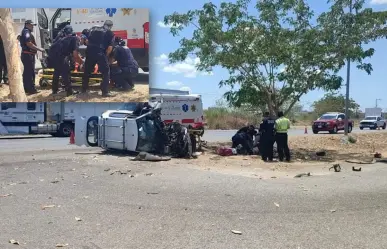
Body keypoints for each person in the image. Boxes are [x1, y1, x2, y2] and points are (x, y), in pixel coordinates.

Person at [81, 20, 115, 97]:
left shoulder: (93, 29)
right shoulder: (110, 33)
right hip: (100, 52)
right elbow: (110, 48)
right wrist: (105, 56)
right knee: (106, 71)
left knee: (87, 71)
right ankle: (105, 92)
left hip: (89, 51)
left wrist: (86, 43)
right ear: (110, 26)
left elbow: (84, 35)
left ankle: (84, 89)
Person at [47, 25, 83, 95]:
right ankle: (69, 91)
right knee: (66, 73)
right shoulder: (74, 39)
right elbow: (75, 55)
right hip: (61, 56)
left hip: (53, 56)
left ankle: (54, 90)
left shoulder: (60, 38)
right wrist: (82, 62)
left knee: (56, 72)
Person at [19, 20, 45, 94]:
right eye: (31, 25)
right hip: (28, 55)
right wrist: (39, 49)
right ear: (27, 25)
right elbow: (29, 43)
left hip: (27, 54)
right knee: (29, 72)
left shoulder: (24, 31)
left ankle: (27, 88)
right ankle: (31, 89)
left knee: (27, 72)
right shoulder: (26, 32)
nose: (33, 26)